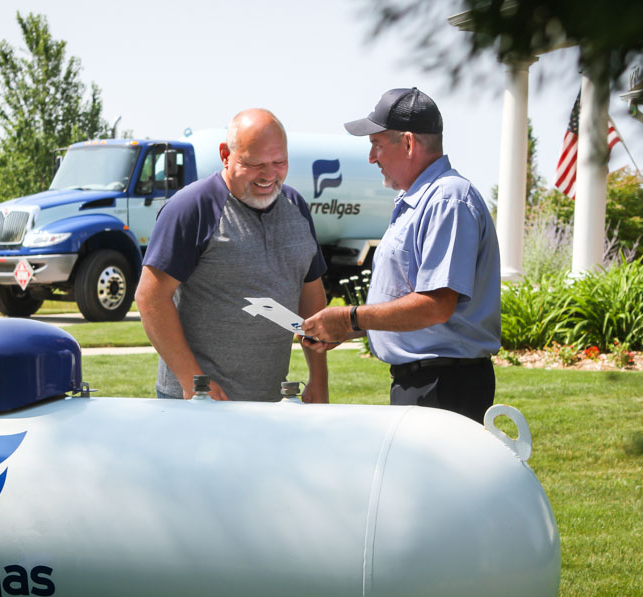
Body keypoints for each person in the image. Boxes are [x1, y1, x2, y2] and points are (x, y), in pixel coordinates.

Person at [301, 88, 500, 421]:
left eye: (376, 145)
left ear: (408, 143)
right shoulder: (422, 200)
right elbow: (414, 303)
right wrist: (347, 330)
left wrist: (350, 317)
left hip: (444, 386)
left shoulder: (446, 200)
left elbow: (436, 305)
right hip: (430, 382)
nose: (371, 158)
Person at [135, 108, 329, 403]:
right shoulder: (192, 208)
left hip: (270, 400)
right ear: (226, 154)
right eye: (254, 164)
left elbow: (310, 293)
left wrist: (319, 378)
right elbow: (150, 298)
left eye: (279, 162)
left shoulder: (296, 206)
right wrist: (194, 382)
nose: (268, 175)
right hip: (198, 403)